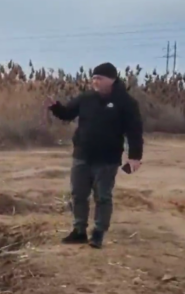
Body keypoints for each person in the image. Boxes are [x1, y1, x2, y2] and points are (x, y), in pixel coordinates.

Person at [45, 62, 144, 249]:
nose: (95, 81)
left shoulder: (126, 102)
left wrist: (135, 156)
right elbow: (67, 114)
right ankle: (79, 230)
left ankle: (98, 233)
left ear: (112, 79)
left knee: (103, 196)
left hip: (107, 158)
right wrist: (55, 107)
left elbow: (134, 131)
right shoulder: (86, 98)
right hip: (82, 154)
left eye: (99, 78)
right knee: (78, 194)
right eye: (93, 78)